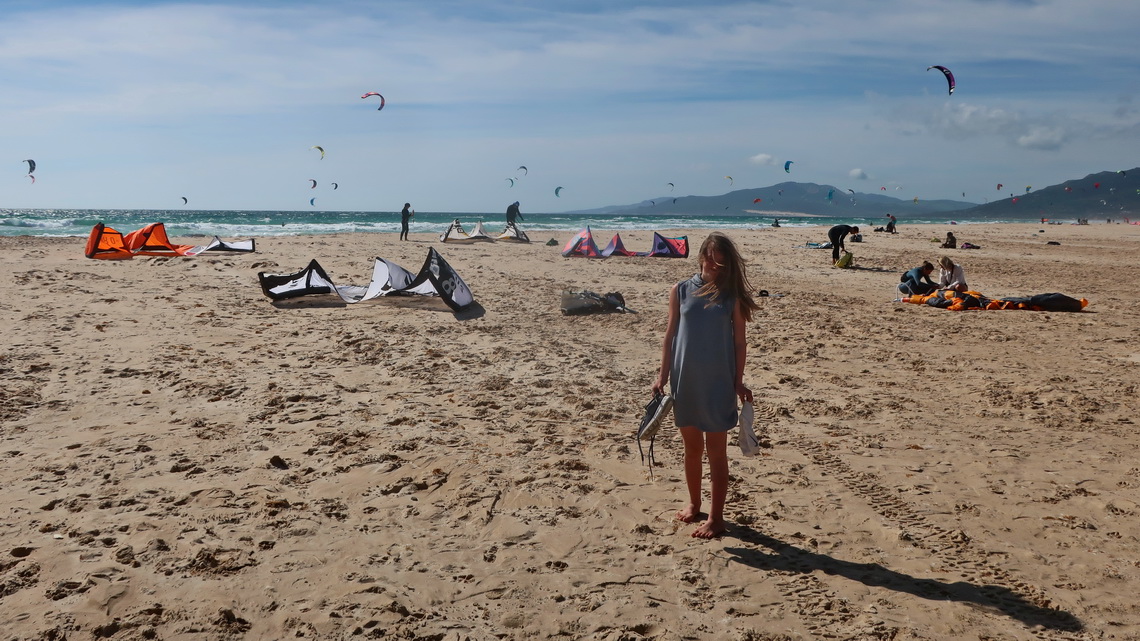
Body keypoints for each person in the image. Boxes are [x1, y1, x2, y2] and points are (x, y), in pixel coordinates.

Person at [653, 232, 758, 539]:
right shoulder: (681, 290)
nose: (715, 268)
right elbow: (670, 335)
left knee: (716, 453)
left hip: (717, 383)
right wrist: (662, 376)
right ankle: (695, 504)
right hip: (685, 380)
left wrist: (738, 382)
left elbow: (740, 342)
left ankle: (716, 518)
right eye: (712, 261)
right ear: (701, 257)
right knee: (691, 449)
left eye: (722, 264)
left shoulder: (731, 296)